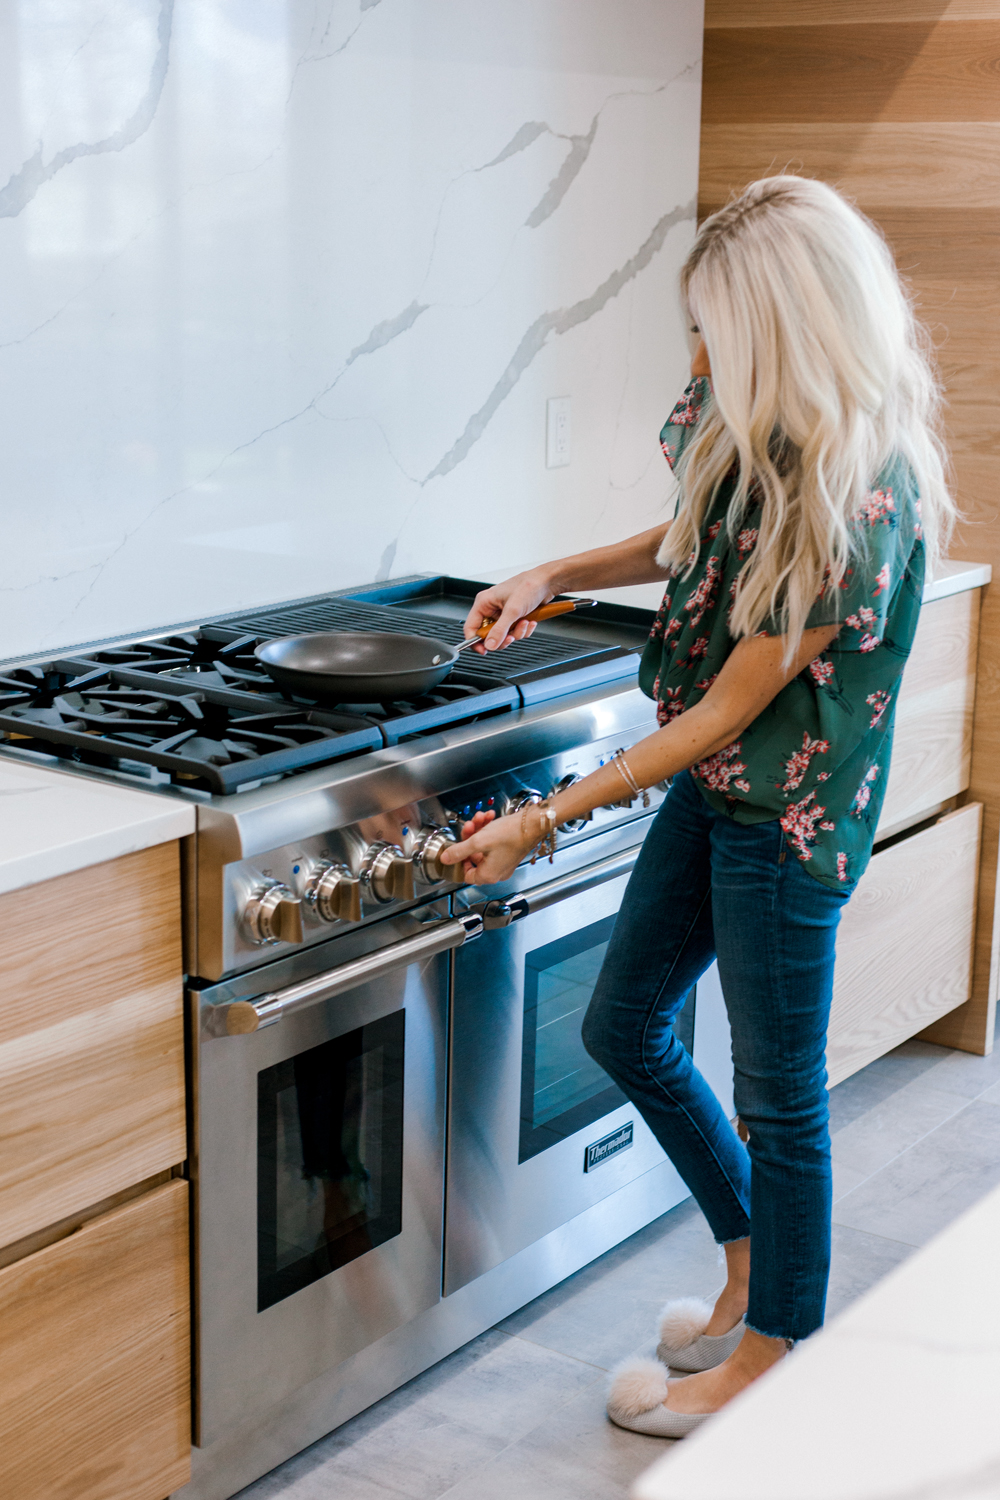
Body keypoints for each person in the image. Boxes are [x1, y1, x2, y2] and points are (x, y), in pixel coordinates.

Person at [438, 175, 954, 1438]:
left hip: (786, 822)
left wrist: (542, 818)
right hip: (719, 790)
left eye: (715, 329)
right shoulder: (749, 416)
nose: (698, 353)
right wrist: (553, 571)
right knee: (626, 1025)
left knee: (780, 1094)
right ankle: (746, 1271)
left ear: (786, 329)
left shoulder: (859, 491)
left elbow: (727, 707)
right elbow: (689, 535)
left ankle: (778, 1350)